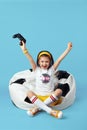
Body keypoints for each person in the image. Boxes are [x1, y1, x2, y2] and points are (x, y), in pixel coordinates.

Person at [20, 41, 72, 118]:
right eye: (42, 61)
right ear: (38, 62)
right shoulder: (36, 70)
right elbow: (30, 59)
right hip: (38, 98)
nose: (44, 64)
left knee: (59, 91)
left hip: (50, 98)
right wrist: (24, 49)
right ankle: (50, 111)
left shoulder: (52, 70)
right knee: (29, 93)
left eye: (46, 62)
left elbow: (59, 59)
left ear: (50, 62)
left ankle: (37, 108)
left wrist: (68, 49)